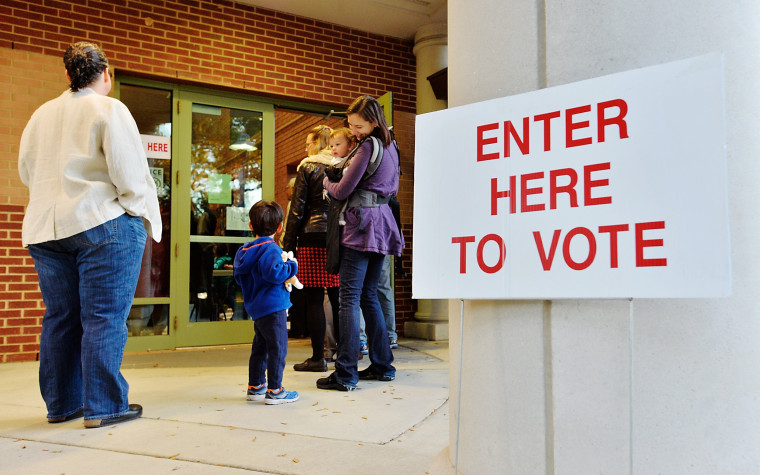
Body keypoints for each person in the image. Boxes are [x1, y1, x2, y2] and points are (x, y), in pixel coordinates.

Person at [18, 42, 161, 428]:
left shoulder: (40, 115)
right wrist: (136, 213)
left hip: (45, 227)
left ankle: (62, 405)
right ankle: (105, 406)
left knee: (61, 317)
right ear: (107, 75)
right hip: (100, 221)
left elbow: (26, 172)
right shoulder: (110, 108)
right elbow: (130, 175)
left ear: (67, 75)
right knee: (103, 317)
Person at [318, 95, 404, 391]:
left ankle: (345, 374)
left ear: (372, 120)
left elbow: (342, 190)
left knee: (349, 299)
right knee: (369, 295)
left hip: (360, 225)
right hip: (382, 225)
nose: (354, 131)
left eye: (358, 125)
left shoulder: (368, 146)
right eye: (351, 126)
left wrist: (326, 183)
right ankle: (383, 365)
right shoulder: (392, 144)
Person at [282, 125, 341, 372]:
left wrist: (288, 244)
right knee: (339, 299)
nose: (305, 148)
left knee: (315, 299)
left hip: (311, 236)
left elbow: (297, 209)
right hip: (338, 235)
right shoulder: (341, 165)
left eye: (308, 142)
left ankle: (318, 358)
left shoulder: (307, 167)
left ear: (318, 142)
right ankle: (347, 353)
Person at [235, 200, 300, 404]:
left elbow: (239, 276)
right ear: (280, 227)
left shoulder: (244, 251)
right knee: (278, 348)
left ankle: (256, 386)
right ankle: (275, 389)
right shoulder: (271, 249)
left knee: (260, 347)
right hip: (274, 307)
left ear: (250, 225)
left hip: (257, 307)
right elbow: (275, 273)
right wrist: (291, 265)